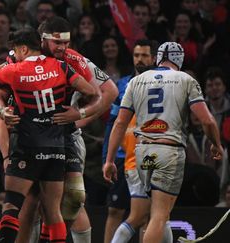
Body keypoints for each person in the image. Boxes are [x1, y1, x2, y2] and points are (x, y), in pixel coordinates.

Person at [0, 27, 100, 243]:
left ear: (23, 49)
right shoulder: (61, 66)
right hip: (56, 148)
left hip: (27, 146)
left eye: (15, 51)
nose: (14, 54)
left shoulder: (15, 70)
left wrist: (8, 64)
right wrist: (78, 113)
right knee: (53, 213)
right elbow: (92, 92)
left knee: (11, 209)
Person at [103, 41, 224, 243]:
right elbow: (208, 121)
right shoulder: (185, 80)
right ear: (180, 59)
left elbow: (119, 123)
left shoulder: (136, 81)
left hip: (143, 154)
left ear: (157, 58)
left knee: (161, 214)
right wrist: (216, 144)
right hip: (168, 152)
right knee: (158, 215)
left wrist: (108, 160)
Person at [24, 16, 118, 243]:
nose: (63, 48)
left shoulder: (74, 59)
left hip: (66, 137)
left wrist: (80, 116)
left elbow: (110, 92)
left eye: (66, 42)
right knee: (34, 201)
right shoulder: (26, 56)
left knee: (74, 198)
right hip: (31, 136)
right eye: (57, 43)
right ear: (43, 39)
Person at [102, 39, 167, 243]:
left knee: (149, 216)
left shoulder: (165, 83)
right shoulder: (122, 85)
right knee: (117, 210)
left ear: (154, 57)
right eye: (137, 55)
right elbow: (114, 123)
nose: (140, 59)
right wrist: (108, 157)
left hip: (151, 155)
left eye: (145, 55)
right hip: (124, 156)